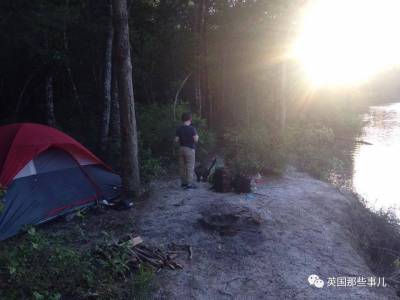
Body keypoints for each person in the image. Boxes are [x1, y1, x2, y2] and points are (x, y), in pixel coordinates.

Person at [175, 112, 199, 189]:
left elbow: (176, 140)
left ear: (182, 119)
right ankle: (189, 184)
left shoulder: (179, 128)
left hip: (181, 148)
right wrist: (197, 136)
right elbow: (195, 140)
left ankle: (183, 183)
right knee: (190, 167)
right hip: (190, 149)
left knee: (182, 167)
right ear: (190, 119)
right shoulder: (192, 128)